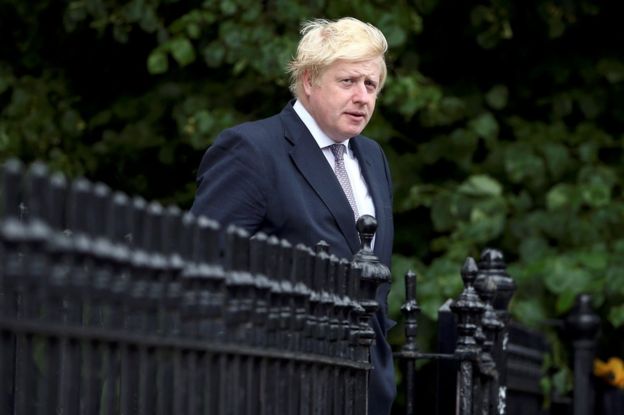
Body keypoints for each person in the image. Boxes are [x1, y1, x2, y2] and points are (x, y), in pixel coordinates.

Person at [190, 17, 396, 414]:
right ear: (308, 80)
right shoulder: (251, 149)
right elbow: (203, 264)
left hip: (362, 384)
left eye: (371, 85)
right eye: (348, 81)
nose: (363, 97)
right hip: (277, 382)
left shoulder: (372, 156)